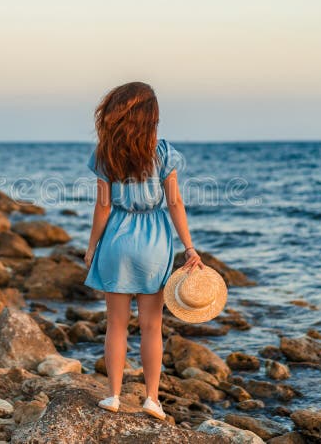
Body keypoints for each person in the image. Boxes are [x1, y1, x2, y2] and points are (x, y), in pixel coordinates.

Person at [83, 81, 206, 420]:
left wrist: (92, 246)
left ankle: (113, 396)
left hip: (117, 241)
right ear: (150, 117)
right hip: (155, 241)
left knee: (116, 325)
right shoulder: (163, 152)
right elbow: (175, 202)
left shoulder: (106, 153)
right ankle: (152, 398)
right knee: (152, 326)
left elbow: (103, 207)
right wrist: (189, 248)